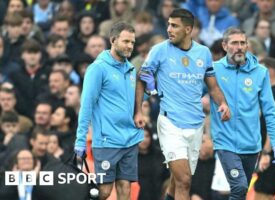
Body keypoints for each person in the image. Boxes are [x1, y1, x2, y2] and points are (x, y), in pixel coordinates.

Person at [134, 8, 230, 200]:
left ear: (188, 29)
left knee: (177, 180)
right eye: (169, 24)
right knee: (185, 181)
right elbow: (142, 79)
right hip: (170, 123)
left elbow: (212, 87)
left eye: (175, 26)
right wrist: (137, 111)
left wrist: (223, 104)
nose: (169, 29)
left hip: (195, 125)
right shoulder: (159, 50)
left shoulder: (203, 53)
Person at [209, 28, 275, 199]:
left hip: (251, 145)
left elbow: (270, 111)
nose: (239, 47)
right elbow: (193, 94)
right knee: (240, 186)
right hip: (225, 142)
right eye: (234, 43)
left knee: (241, 192)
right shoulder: (213, 70)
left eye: (243, 43)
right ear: (225, 46)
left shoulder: (260, 73)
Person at [74, 22, 143, 200]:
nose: (130, 46)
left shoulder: (131, 69)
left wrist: (146, 97)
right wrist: (80, 141)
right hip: (107, 141)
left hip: (129, 139)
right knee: (103, 192)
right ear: (113, 40)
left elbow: (127, 101)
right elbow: (86, 105)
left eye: (133, 42)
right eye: (126, 41)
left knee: (125, 189)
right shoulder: (98, 68)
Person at [254, 57, 275, 199]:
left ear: (271, 71)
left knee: (263, 195)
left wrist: (267, 153)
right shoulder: (270, 92)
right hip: (270, 152)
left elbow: (274, 125)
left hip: (273, 154)